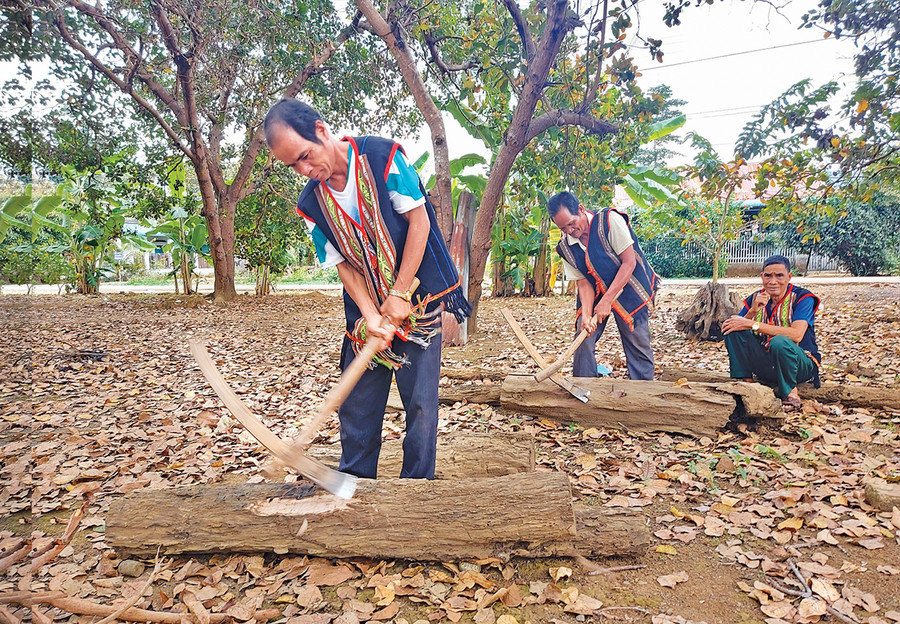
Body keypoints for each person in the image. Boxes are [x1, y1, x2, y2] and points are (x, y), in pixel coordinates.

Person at [263, 99, 470, 479]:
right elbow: (342, 265)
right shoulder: (311, 204)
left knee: (421, 405)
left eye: (306, 156)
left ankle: (416, 492)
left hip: (419, 299)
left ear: (323, 131)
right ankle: (354, 490)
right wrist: (372, 314)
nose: (306, 170)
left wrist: (400, 293)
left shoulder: (384, 157)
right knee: (358, 404)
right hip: (365, 310)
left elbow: (420, 224)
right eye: (294, 165)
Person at [547, 191, 660, 380]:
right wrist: (587, 314)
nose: (569, 231)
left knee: (636, 339)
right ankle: (583, 388)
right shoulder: (565, 247)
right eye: (563, 228)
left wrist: (607, 300)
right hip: (596, 288)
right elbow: (583, 283)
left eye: (571, 223)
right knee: (583, 336)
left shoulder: (609, 221)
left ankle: (643, 391)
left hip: (630, 284)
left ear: (581, 209)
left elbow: (629, 263)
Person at [721, 255, 821, 411]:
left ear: (789, 277)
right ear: (762, 277)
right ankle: (746, 384)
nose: (773, 281)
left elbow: (796, 335)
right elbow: (736, 325)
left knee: (779, 341)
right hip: (767, 365)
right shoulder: (756, 297)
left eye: (779, 275)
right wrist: (753, 311)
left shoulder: (803, 298)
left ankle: (790, 392)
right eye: (768, 275)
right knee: (731, 329)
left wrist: (753, 324)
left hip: (800, 364)